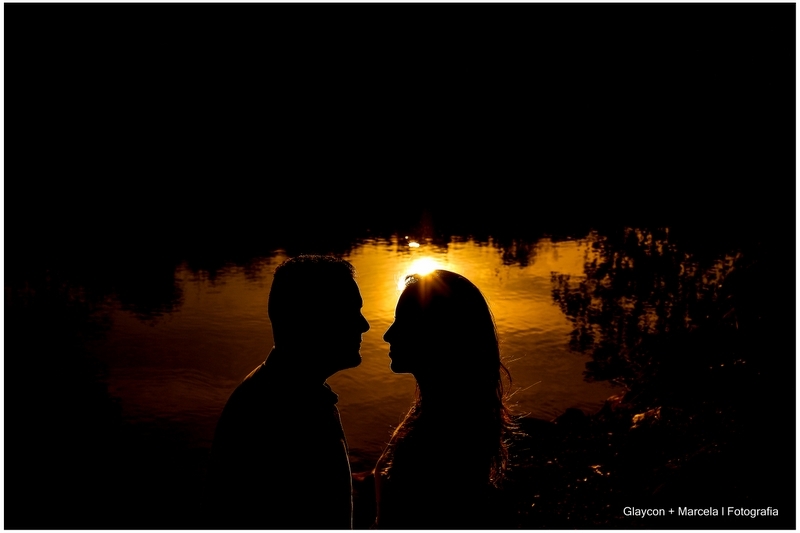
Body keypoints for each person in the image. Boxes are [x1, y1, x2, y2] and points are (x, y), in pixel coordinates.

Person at [207, 254, 370, 529]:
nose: (363, 325)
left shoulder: (291, 390)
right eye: (349, 311)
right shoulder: (281, 411)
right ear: (312, 320)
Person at [373, 269, 517, 529]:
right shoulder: (439, 408)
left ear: (438, 334)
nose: (388, 335)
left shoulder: (441, 436)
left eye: (403, 322)